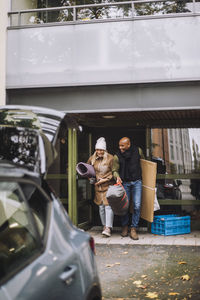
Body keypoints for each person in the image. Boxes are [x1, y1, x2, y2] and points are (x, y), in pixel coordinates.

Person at [112, 137, 144, 240]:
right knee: (124, 206)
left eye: (122, 145)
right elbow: (114, 170)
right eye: (119, 145)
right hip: (124, 183)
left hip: (137, 182)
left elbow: (145, 164)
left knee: (137, 205)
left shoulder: (138, 151)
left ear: (128, 145)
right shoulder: (116, 156)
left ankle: (133, 228)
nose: (120, 147)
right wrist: (117, 177)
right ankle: (125, 226)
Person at [87, 137, 115, 237]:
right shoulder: (92, 158)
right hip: (97, 188)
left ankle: (108, 227)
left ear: (105, 149)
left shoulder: (110, 158)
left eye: (101, 150)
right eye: (97, 149)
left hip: (108, 186)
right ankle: (104, 226)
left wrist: (106, 179)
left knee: (108, 206)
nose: (99, 152)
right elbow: (87, 170)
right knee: (101, 207)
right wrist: (90, 178)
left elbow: (114, 172)